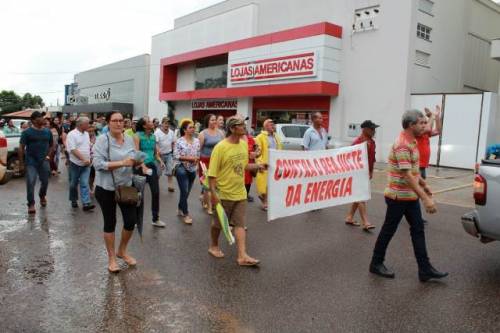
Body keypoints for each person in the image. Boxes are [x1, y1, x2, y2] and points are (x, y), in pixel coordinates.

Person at [369, 110, 448, 283]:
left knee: (418, 230)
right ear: (411, 125)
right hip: (397, 197)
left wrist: (424, 185)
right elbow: (407, 176)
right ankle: (376, 263)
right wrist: (426, 199)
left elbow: (414, 171)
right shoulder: (403, 144)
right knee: (388, 230)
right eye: (421, 123)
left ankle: (425, 269)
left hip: (409, 196)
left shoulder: (413, 141)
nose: (425, 126)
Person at [207, 117, 266, 266]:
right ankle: (213, 245)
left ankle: (242, 256)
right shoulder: (220, 147)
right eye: (241, 125)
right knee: (218, 224)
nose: (244, 127)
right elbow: (212, 174)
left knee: (240, 224)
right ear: (232, 129)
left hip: (240, 193)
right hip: (223, 193)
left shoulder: (243, 145)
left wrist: (258, 166)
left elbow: (244, 166)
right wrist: (214, 195)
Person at [93, 111, 142, 273]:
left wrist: (139, 162)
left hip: (125, 186)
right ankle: (112, 258)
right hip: (106, 188)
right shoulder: (102, 140)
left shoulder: (129, 138)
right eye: (115, 121)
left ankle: (122, 251)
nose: (119, 123)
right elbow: (98, 164)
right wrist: (122, 163)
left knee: (130, 221)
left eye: (121, 120)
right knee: (110, 222)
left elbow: (133, 156)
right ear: (108, 123)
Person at [345, 120, 379, 231]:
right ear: (364, 129)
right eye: (372, 129)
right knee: (361, 196)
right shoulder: (357, 143)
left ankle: (350, 217)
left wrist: (371, 171)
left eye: (374, 129)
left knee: (358, 196)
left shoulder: (372, 142)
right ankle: (365, 222)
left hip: (365, 173)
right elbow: (349, 159)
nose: (374, 131)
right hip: (357, 174)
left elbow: (372, 159)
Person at [19, 111, 54, 214]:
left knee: (45, 181)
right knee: (30, 182)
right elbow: (21, 148)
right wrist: (21, 163)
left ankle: (42, 195)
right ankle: (31, 203)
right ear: (34, 120)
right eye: (40, 117)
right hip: (31, 161)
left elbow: (52, 145)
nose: (43, 119)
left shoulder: (48, 131)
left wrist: (48, 156)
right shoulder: (26, 132)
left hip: (44, 160)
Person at [134, 118, 166, 228]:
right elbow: (136, 153)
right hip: (139, 166)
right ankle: (136, 220)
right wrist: (142, 166)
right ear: (144, 125)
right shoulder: (137, 136)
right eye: (149, 121)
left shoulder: (153, 136)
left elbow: (155, 153)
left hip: (151, 166)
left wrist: (160, 161)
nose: (152, 123)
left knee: (156, 192)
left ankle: (155, 218)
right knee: (139, 195)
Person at [173, 120, 200, 224]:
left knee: (186, 192)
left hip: (192, 168)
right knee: (184, 191)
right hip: (181, 167)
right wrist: (189, 159)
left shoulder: (197, 141)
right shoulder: (179, 141)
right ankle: (186, 214)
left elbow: (198, 153)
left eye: (193, 127)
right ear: (184, 130)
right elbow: (176, 155)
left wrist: (197, 161)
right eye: (190, 127)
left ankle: (180, 207)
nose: (193, 129)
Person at [66, 117, 95, 211]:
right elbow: (73, 149)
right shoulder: (71, 134)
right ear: (80, 125)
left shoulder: (86, 134)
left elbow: (88, 145)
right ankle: (73, 200)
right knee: (73, 184)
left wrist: (92, 151)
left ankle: (86, 203)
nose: (89, 126)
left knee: (84, 183)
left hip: (86, 164)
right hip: (75, 163)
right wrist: (83, 159)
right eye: (87, 124)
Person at [198, 114, 225, 214]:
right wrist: (198, 165)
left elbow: (223, 147)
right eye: (212, 120)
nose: (214, 122)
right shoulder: (202, 133)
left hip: (216, 161)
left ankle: (206, 201)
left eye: (215, 120)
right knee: (207, 185)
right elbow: (198, 150)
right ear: (208, 121)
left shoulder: (221, 133)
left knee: (215, 184)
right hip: (204, 161)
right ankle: (210, 207)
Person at [255, 119, 282, 211]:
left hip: (275, 164)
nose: (273, 126)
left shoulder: (276, 137)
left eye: (273, 125)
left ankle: (265, 200)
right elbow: (258, 152)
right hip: (265, 164)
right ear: (265, 127)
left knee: (272, 184)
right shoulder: (259, 137)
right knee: (264, 185)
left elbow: (280, 150)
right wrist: (260, 163)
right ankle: (264, 202)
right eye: (271, 125)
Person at [417, 105, 442, 180]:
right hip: (415, 165)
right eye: (422, 123)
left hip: (422, 165)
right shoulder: (417, 132)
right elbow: (428, 128)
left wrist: (437, 117)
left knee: (421, 186)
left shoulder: (425, 133)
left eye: (425, 122)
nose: (424, 124)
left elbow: (438, 131)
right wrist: (431, 116)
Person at [154, 117, 176, 192]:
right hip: (160, 155)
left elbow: (173, 143)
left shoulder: (171, 132)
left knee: (170, 170)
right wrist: (158, 151)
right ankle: (156, 185)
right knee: (158, 172)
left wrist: (174, 152)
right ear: (162, 124)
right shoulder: (157, 132)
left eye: (168, 123)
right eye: (165, 123)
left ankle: (170, 186)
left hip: (169, 154)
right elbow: (156, 143)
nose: (167, 125)